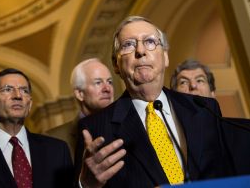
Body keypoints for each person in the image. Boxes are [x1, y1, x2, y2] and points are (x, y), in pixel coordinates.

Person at [75, 16, 235, 187]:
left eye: (150, 41)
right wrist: (86, 185)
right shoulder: (94, 128)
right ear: (116, 64)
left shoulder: (205, 109)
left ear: (165, 57)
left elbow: (228, 176)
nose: (141, 51)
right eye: (129, 44)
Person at [0, 68, 73, 188]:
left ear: (30, 104)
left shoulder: (57, 150)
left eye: (24, 91)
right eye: (7, 89)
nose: (17, 96)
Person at [170, 59, 250, 176]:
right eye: (183, 82)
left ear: (213, 93)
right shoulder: (166, 138)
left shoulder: (246, 132)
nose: (193, 86)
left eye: (200, 80)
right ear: (174, 97)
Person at [46, 58, 114, 159]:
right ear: (79, 94)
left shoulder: (129, 125)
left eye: (109, 82)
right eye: (98, 83)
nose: (107, 89)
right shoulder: (54, 140)